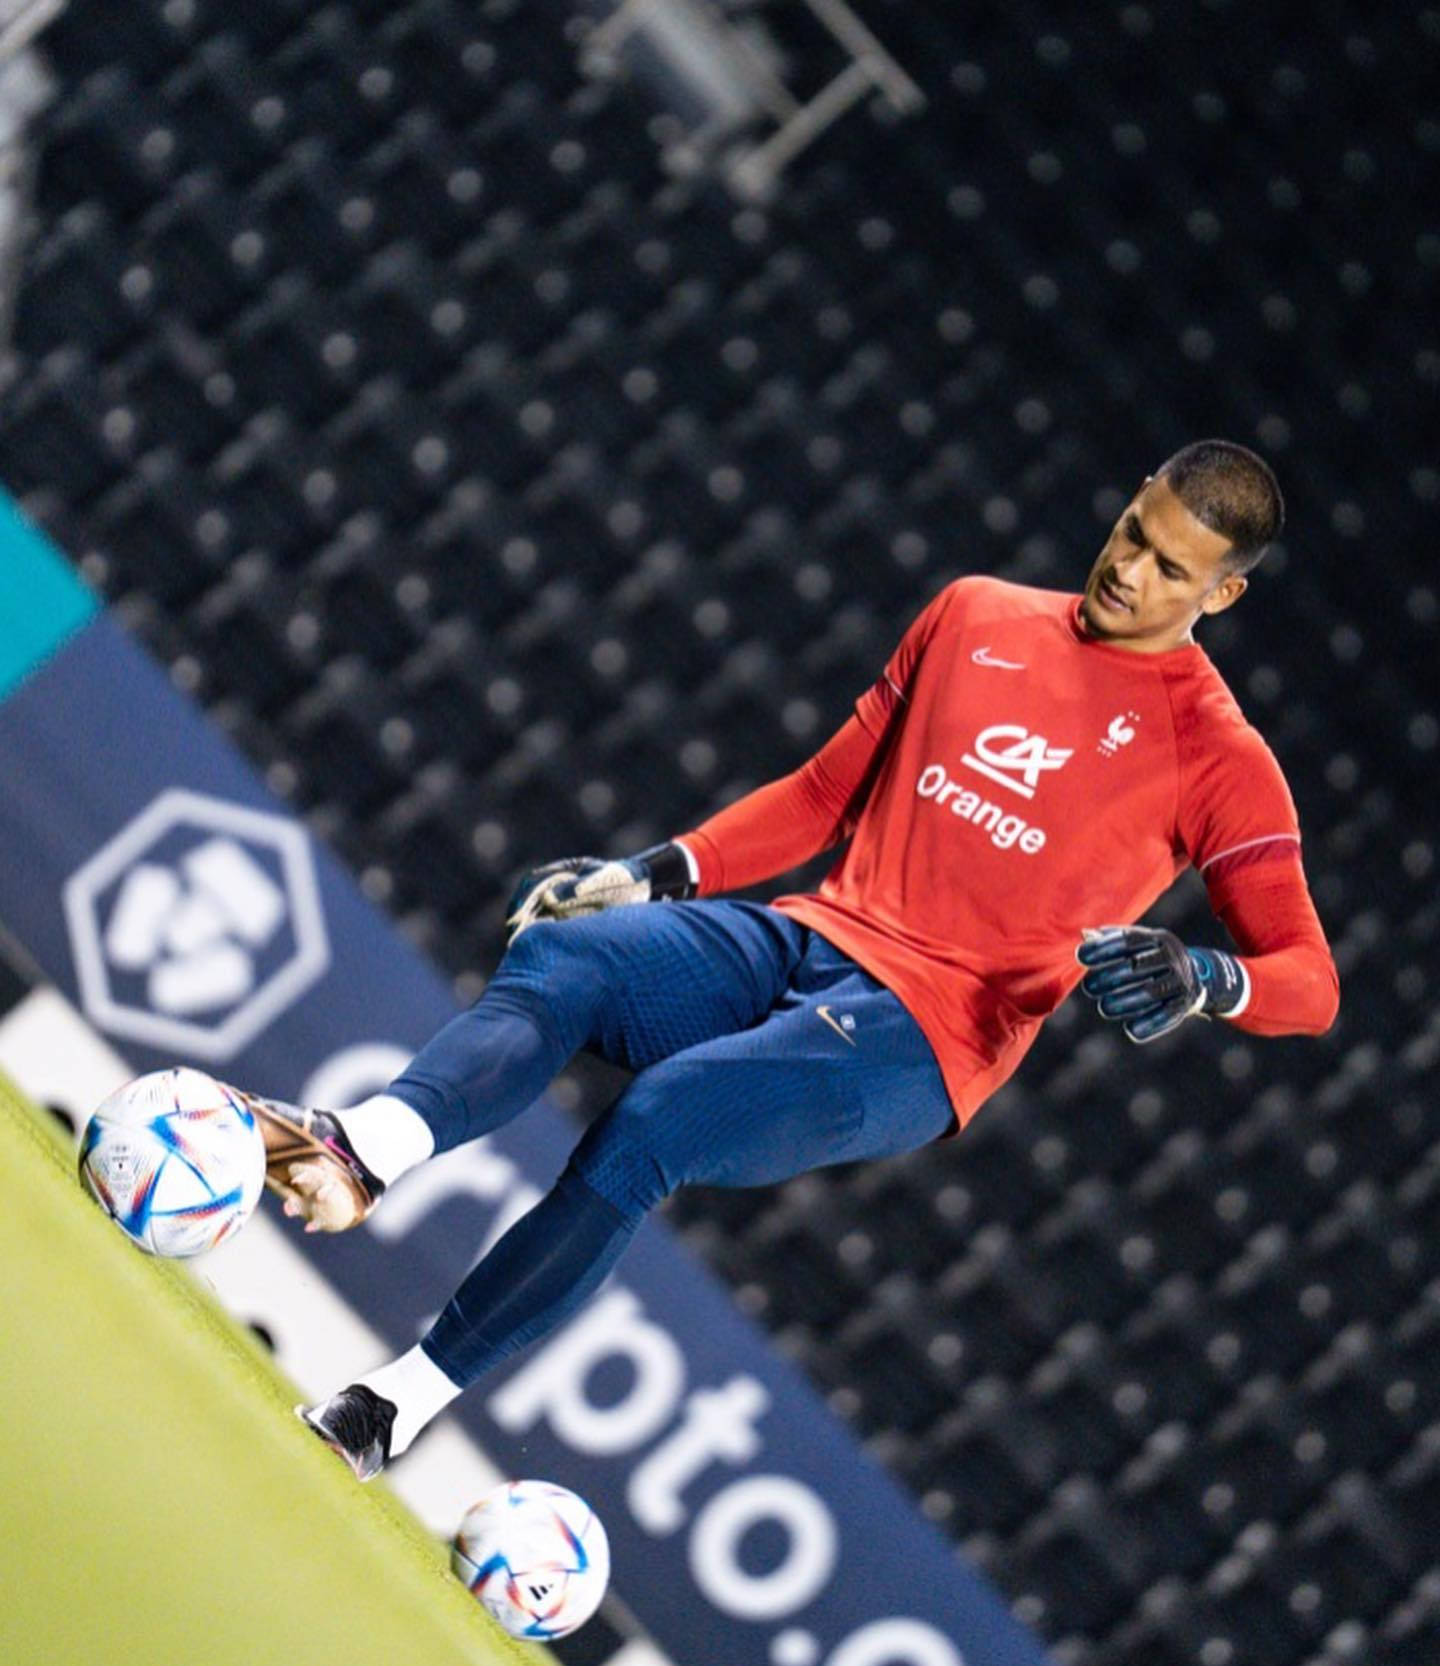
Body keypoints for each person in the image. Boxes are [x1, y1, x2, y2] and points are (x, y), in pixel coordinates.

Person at [246, 439, 1339, 1481]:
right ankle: (362, 1154)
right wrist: (657, 872)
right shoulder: (976, 614)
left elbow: (1309, 981)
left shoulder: (1221, 759)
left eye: (1169, 567)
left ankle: (393, 1406)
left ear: (1222, 596)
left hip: (923, 1038)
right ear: (1131, 495)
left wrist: (1208, 979)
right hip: (810, 934)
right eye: (1132, 531)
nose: (1129, 570)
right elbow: (824, 794)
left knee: (659, 1119)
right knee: (570, 956)